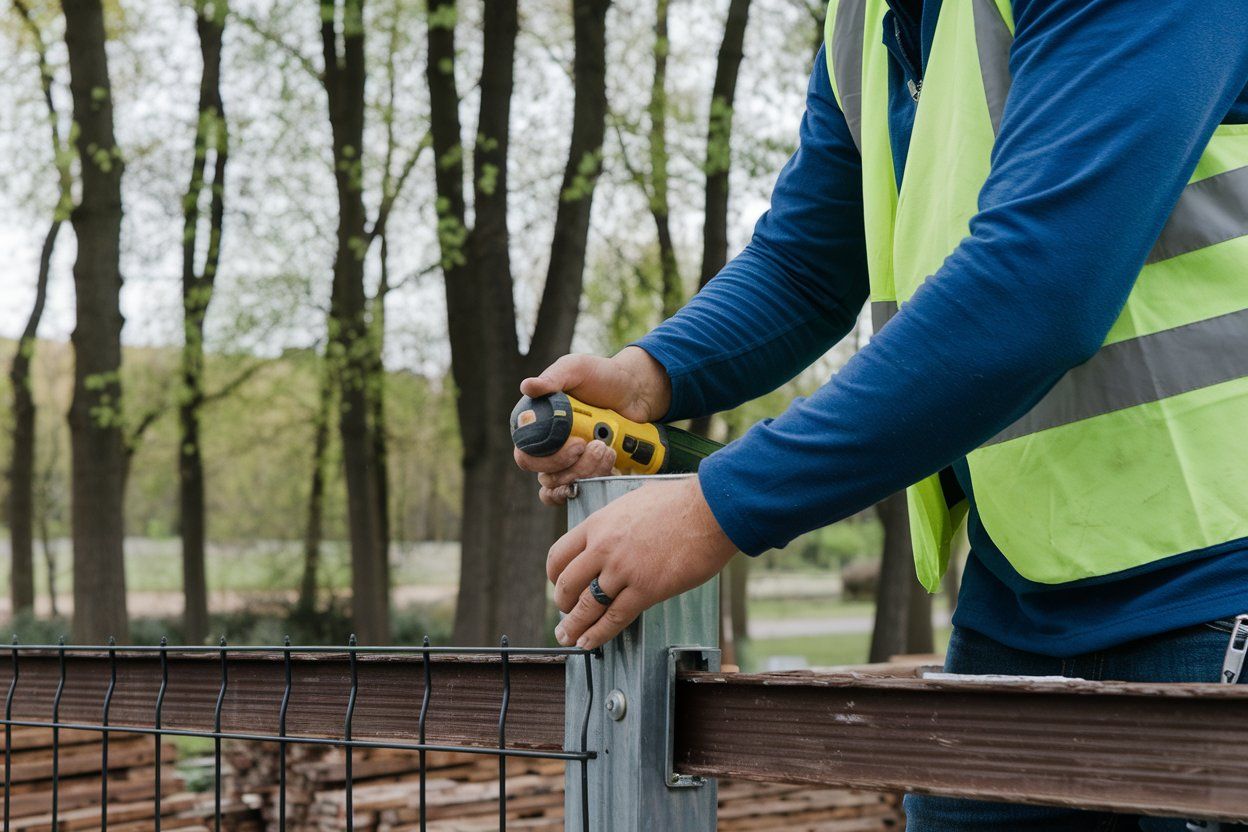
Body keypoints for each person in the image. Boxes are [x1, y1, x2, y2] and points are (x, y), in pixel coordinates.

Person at [515, 0, 1248, 828]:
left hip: (1220, 581)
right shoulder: (867, 21)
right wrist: (651, 375)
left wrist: (719, 506)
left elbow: (1037, 288)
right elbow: (805, 265)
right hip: (1028, 592)